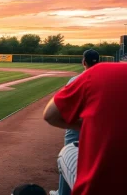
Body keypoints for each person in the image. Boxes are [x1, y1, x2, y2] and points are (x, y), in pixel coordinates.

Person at [43, 62, 127, 195]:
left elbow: (50, 115)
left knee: (68, 149)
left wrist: (92, 126)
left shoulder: (101, 71)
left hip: (99, 188)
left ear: (83, 62)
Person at [49, 49, 99, 195]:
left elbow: (60, 110)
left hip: (76, 128)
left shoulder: (75, 80)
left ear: (84, 62)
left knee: (67, 158)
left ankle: (63, 193)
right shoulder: (107, 80)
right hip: (98, 129)